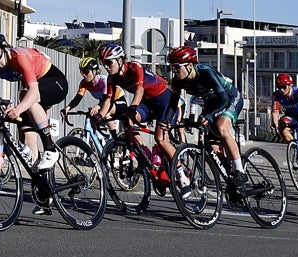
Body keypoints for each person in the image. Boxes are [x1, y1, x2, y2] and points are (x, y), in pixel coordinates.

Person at [0, 29, 66, 171]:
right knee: (26, 138)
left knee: (25, 95)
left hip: (54, 82)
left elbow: (33, 93)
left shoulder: (18, 56)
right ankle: (39, 179)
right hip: (33, 90)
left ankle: (50, 149)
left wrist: (17, 109)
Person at [165, 45, 248, 191]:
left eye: (177, 67)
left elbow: (224, 99)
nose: (175, 71)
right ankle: (229, 175)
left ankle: (240, 170)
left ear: (190, 65)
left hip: (229, 98)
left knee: (221, 127)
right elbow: (173, 104)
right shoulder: (178, 81)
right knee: (209, 144)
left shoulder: (205, 72)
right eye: (172, 68)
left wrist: (209, 115)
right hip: (211, 103)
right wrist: (167, 121)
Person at [95, 43, 174, 167]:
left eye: (109, 63)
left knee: (160, 139)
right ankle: (145, 152)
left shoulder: (134, 67)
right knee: (127, 120)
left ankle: (181, 174)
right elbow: (109, 100)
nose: (106, 67)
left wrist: (132, 107)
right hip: (147, 103)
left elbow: (139, 90)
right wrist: (99, 116)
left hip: (164, 99)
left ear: (120, 60)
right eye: (104, 63)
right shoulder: (112, 78)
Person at [61, 56, 123, 136]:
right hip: (105, 102)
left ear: (94, 71)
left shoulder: (103, 81)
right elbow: (77, 98)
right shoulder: (84, 83)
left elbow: (105, 100)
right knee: (95, 119)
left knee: (105, 113)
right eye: (81, 72)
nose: (83, 75)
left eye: (86, 72)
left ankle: (115, 141)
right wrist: (68, 108)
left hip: (118, 100)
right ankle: (104, 140)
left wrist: (96, 107)